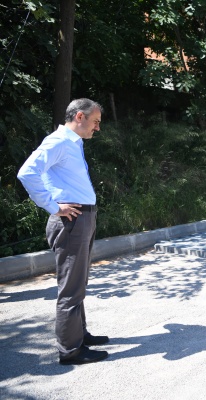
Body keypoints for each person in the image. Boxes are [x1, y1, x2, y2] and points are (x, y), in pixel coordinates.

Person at [17, 98, 109, 365]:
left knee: (78, 283)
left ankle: (78, 335)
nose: (97, 128)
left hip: (81, 220)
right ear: (79, 116)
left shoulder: (72, 143)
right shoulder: (58, 141)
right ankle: (70, 350)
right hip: (71, 222)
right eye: (96, 122)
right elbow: (27, 173)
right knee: (70, 288)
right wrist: (53, 206)